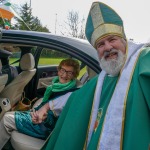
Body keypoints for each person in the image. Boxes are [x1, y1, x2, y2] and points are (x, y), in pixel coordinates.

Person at [41, 2, 150, 150]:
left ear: (124, 40)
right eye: (100, 45)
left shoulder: (143, 61)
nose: (108, 47)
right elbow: (76, 98)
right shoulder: (103, 79)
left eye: (112, 39)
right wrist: (47, 105)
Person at [0, 58, 80, 149]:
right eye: (63, 70)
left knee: (6, 118)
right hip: (41, 119)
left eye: (69, 73)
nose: (64, 75)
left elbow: (54, 120)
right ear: (58, 70)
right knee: (9, 114)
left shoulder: (70, 93)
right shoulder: (58, 86)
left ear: (74, 75)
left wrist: (44, 119)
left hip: (45, 128)